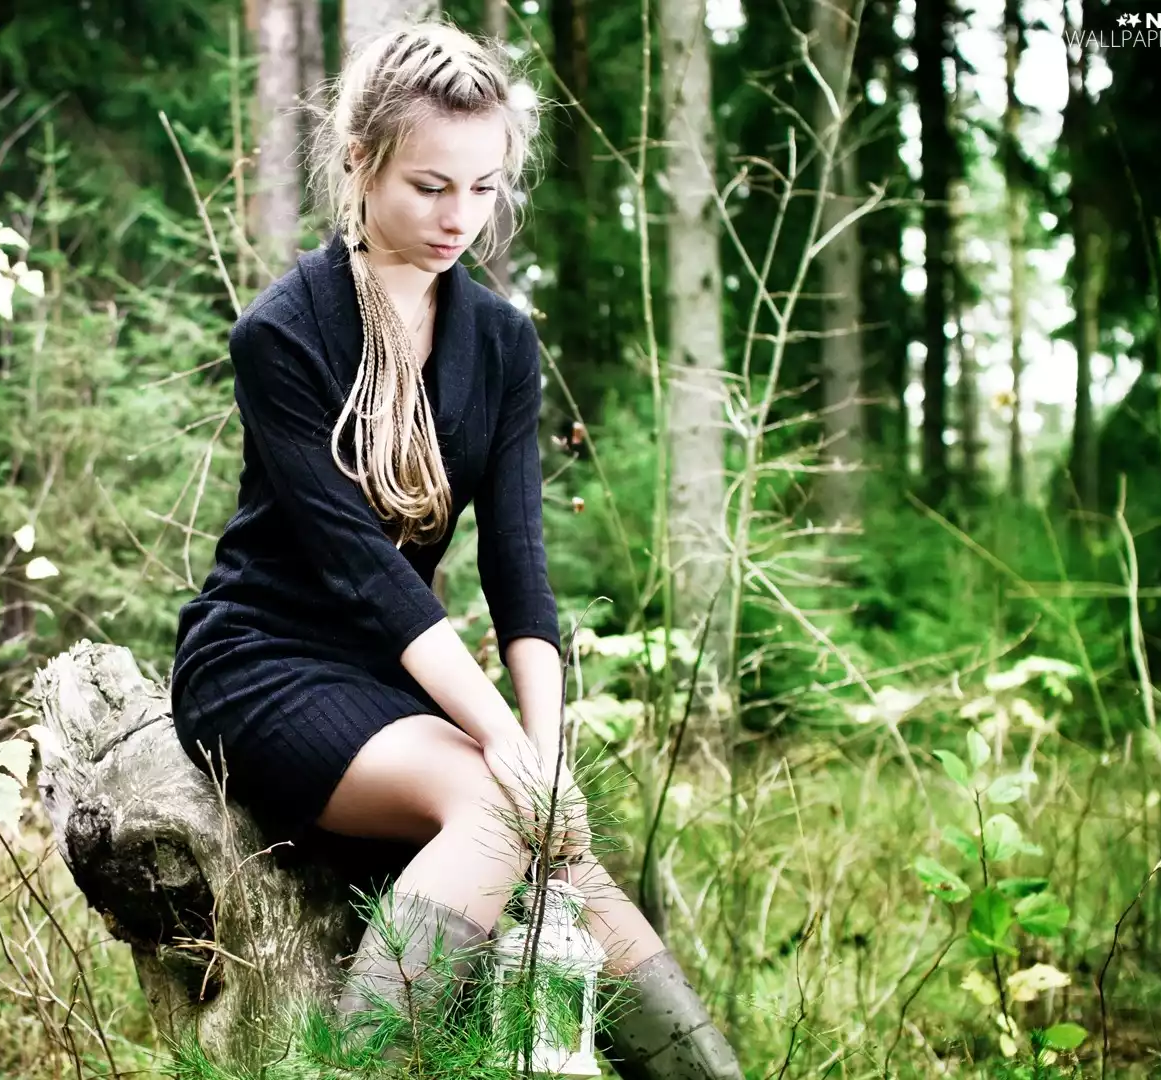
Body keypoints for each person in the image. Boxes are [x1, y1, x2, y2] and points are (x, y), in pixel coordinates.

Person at [169, 18, 742, 1079]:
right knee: (496, 801)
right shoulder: (283, 334)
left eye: (483, 189)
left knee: (563, 858)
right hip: (263, 661)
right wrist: (510, 761)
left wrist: (549, 755)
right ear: (360, 159)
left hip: (393, 678)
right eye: (432, 185)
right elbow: (361, 571)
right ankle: (354, 1069)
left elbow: (520, 574)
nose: (459, 218)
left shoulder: (502, 341)